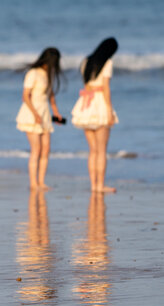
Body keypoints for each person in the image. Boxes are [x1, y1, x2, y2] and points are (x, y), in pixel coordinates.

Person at [72, 37, 119, 193]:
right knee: (101, 150)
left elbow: (86, 85)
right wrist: (110, 111)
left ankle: (93, 185)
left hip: (86, 103)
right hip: (99, 104)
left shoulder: (86, 61)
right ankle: (100, 185)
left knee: (92, 150)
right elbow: (106, 88)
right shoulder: (107, 63)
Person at [16, 47, 65, 190]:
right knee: (36, 149)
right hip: (32, 113)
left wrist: (56, 113)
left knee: (46, 149)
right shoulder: (33, 73)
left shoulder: (47, 74)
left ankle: (41, 181)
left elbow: (51, 95)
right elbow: (25, 96)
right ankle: (33, 183)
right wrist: (35, 114)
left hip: (44, 113)